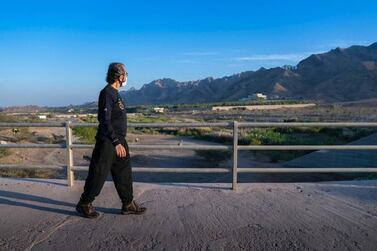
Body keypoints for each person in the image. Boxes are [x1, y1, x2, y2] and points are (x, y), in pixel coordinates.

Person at [76, 62, 146, 218]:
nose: (126, 77)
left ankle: (127, 203)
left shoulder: (116, 93)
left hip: (119, 140)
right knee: (99, 173)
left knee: (124, 173)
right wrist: (115, 142)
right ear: (118, 76)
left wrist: (120, 142)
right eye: (125, 74)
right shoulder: (107, 93)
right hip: (108, 141)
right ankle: (84, 203)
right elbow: (105, 120)